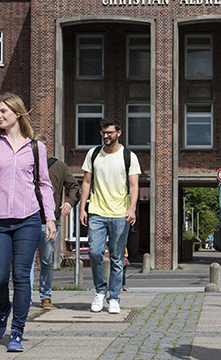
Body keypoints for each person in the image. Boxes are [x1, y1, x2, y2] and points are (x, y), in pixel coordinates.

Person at [0, 92, 57, 352]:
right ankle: (3, 308)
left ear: (18, 114)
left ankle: (17, 331)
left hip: (28, 220)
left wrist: (49, 217)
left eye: (4, 111)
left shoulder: (36, 147)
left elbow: (44, 184)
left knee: (21, 277)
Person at [79, 117, 140, 314]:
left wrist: (132, 209)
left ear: (118, 133)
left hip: (120, 214)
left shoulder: (128, 156)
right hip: (96, 211)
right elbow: (87, 182)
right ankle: (99, 291)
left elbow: (133, 186)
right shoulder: (94, 154)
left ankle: (114, 297)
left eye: (110, 133)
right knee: (95, 253)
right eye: (104, 133)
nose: (106, 136)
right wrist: (82, 208)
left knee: (116, 257)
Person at [30, 156, 79, 309]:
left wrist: (69, 202)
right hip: (27, 220)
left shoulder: (59, 166)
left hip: (49, 222)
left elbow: (74, 186)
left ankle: (46, 295)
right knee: (26, 261)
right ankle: (25, 295)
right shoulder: (25, 163)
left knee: (46, 260)